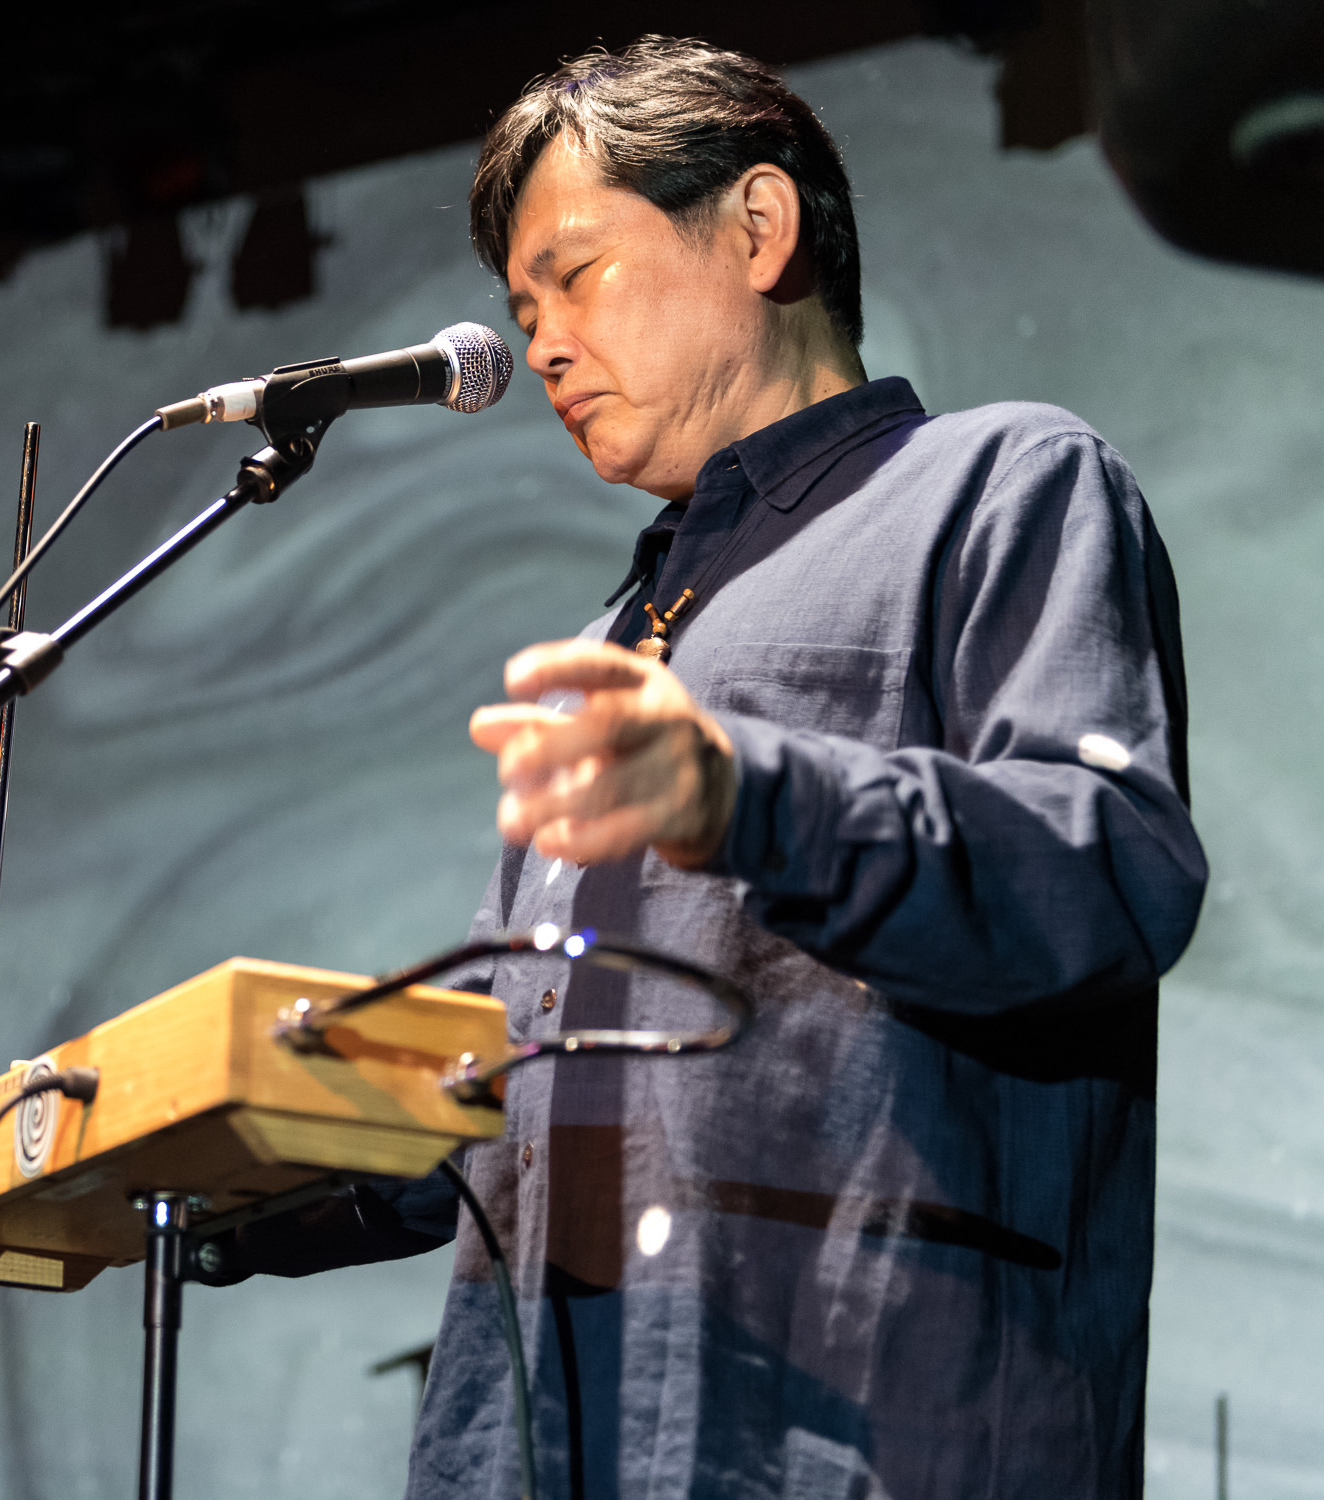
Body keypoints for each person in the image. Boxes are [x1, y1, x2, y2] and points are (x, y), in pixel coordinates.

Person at [195, 36, 1208, 1500]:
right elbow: (522, 1079)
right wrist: (239, 1167)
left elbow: (1102, 868)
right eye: (519, 308)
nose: (537, 343)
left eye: (574, 275)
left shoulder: (1004, 485)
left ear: (756, 228)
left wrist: (745, 796)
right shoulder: (616, 634)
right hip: (548, 1437)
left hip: (869, 1420)